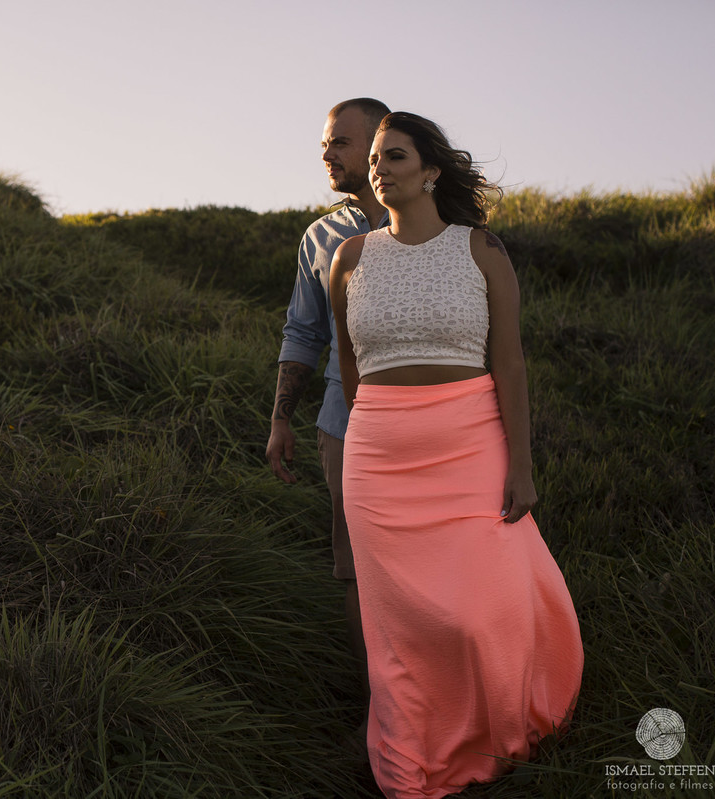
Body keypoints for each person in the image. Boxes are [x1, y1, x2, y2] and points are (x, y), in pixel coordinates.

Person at [329, 111, 583, 797]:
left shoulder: (480, 249)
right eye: (376, 158)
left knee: (475, 611)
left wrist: (521, 465)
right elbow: (352, 373)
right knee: (402, 629)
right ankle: (409, 750)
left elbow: (511, 365)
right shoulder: (348, 260)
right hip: (379, 461)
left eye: (397, 156)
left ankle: (500, 726)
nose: (380, 168)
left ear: (432, 171)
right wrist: (381, 434)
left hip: (471, 443)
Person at [265, 97, 390, 723]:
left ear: (377, 146)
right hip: (345, 427)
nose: (326, 152)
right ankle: (383, 707)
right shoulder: (321, 237)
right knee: (355, 569)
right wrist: (281, 417)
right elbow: (303, 332)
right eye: (325, 142)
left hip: (434, 426)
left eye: (340, 142)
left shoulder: (443, 227)